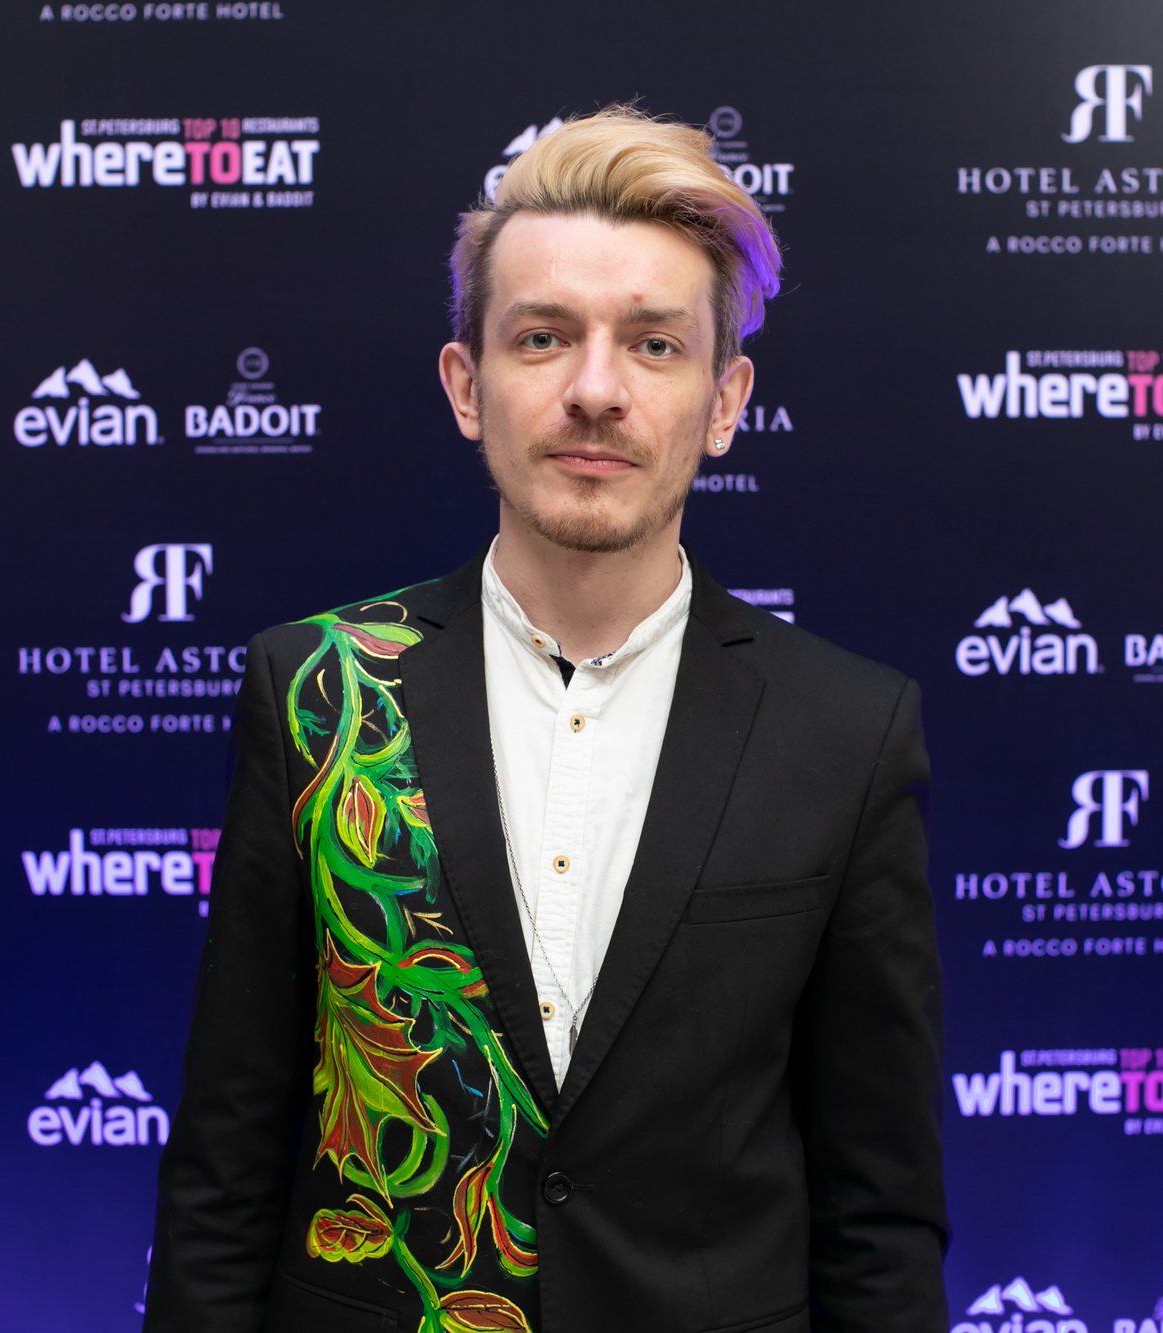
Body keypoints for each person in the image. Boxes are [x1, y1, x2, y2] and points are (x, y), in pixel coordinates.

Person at [144, 105, 948, 1333]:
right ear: (467, 386)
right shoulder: (318, 688)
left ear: (724, 400)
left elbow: (877, 1209)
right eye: (542, 337)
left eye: (653, 344)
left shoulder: (848, 730)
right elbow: (225, 1159)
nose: (594, 390)